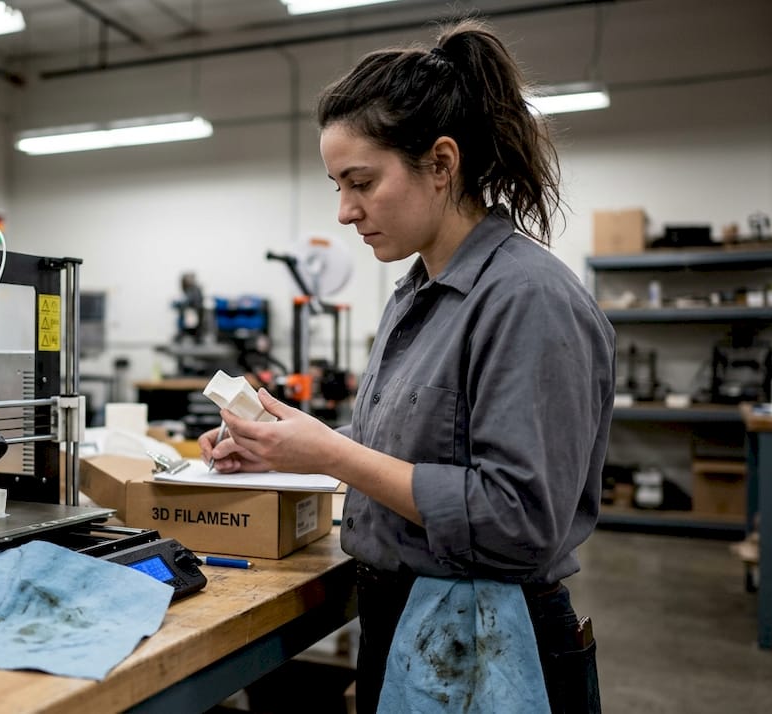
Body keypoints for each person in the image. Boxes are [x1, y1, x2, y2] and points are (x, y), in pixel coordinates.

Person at [200, 19, 613, 714]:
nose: (345, 211)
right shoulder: (415, 294)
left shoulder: (527, 300)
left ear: (441, 163)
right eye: (337, 184)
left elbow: (515, 522)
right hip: (415, 624)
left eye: (361, 181)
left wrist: (330, 453)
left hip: (495, 648)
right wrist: (281, 453)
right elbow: (401, 462)